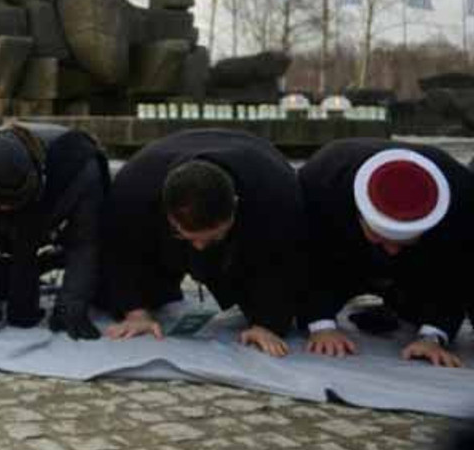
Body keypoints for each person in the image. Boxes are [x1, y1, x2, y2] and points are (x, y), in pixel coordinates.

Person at [100, 129, 305, 357]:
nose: (199, 247)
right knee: (142, 291)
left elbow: (285, 261)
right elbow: (120, 250)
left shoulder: (277, 191)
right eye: (186, 236)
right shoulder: (135, 187)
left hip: (254, 172)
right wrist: (135, 312)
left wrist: (269, 324)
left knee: (256, 282)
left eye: (213, 236)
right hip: (159, 170)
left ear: (235, 206)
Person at [299, 139, 470, 368]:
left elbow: (456, 271)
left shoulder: (462, 193)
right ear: (358, 214)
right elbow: (305, 258)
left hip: (419, 262)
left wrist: (432, 336)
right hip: (343, 254)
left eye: (404, 240)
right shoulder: (322, 181)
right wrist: (321, 325)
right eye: (381, 238)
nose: (391, 250)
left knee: (415, 307)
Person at [0, 123, 109, 338]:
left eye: (13, 201)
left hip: (49, 205)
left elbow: (84, 242)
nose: (6, 208)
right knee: (1, 286)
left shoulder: (80, 168)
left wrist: (73, 304)